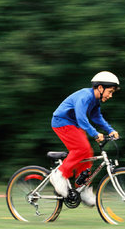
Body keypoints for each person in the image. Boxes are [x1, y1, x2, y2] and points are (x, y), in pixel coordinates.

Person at [50, 71, 120, 206]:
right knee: (81, 148)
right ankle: (59, 174)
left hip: (73, 124)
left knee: (87, 153)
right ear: (100, 88)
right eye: (110, 92)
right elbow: (82, 119)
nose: (110, 95)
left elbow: (96, 118)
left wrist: (110, 130)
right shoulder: (85, 97)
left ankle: (82, 188)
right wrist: (94, 133)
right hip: (61, 121)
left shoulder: (95, 100)